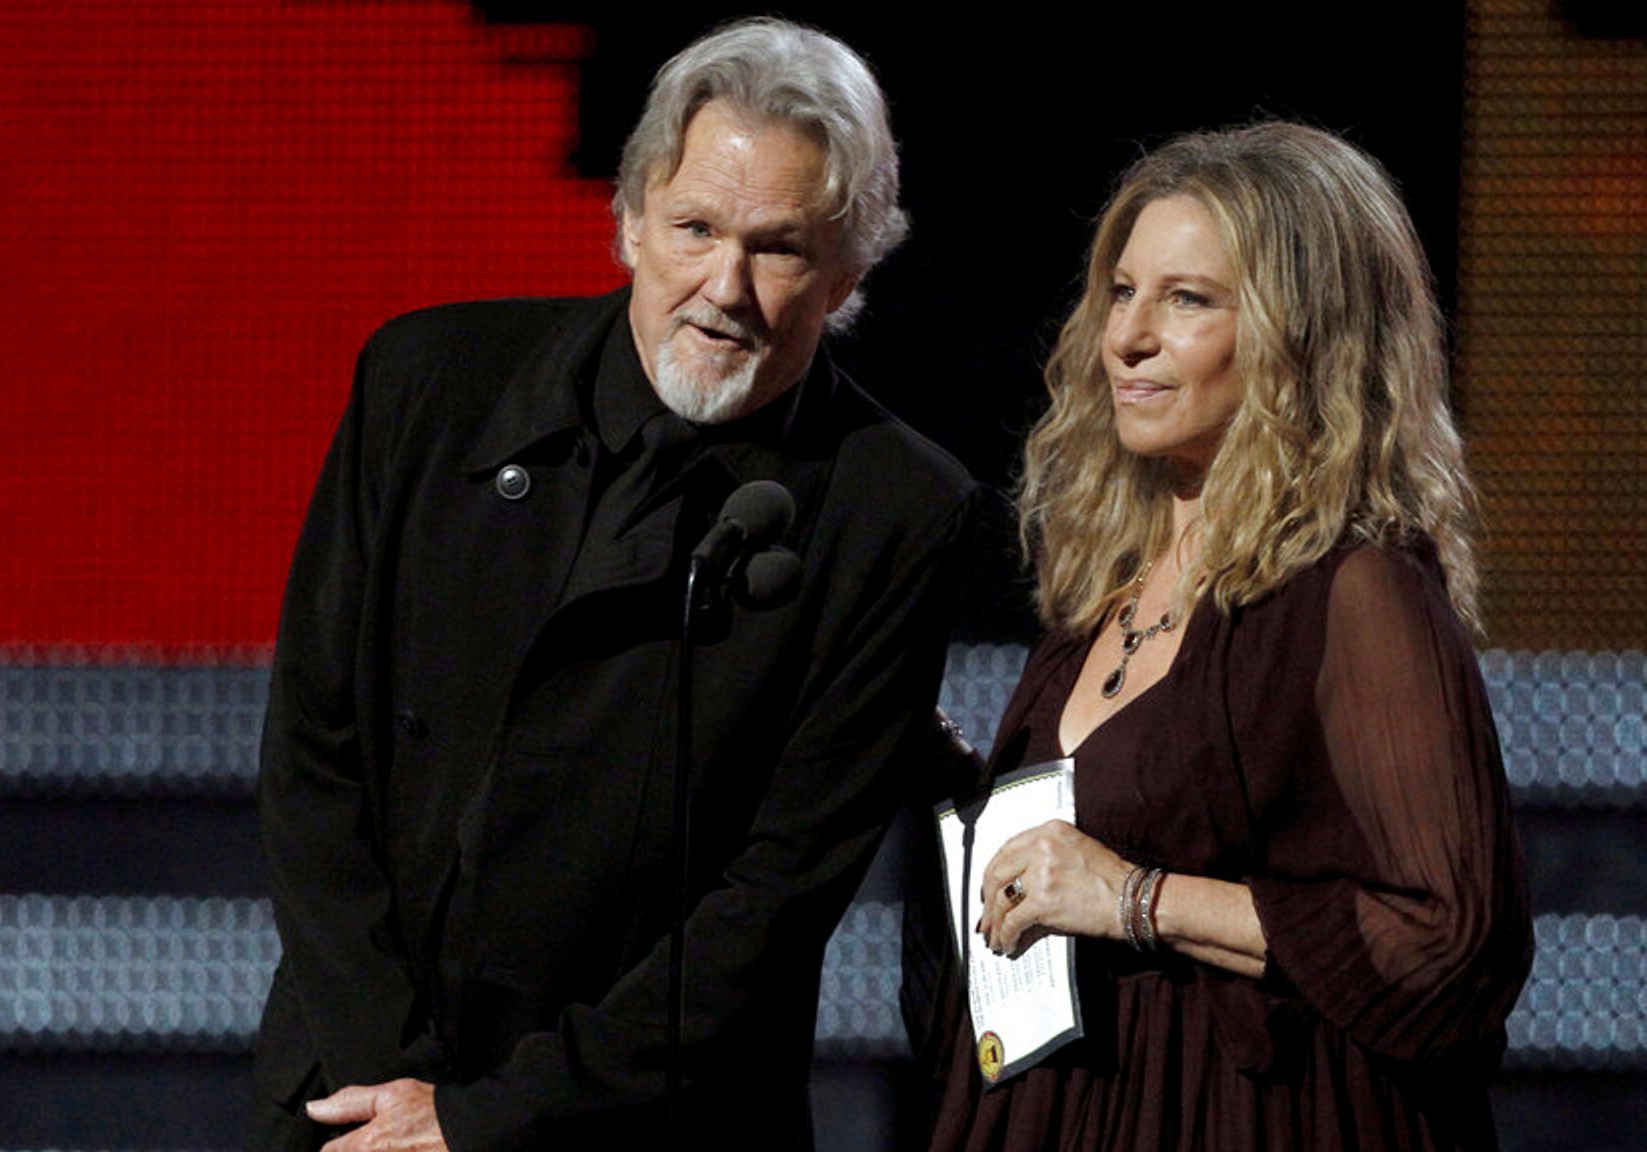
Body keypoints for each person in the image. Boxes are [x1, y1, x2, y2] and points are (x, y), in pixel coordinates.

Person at [248, 19, 976, 1152]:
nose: (722, 287)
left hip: (644, 1120)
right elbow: (312, 748)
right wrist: (397, 1086)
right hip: (356, 1097)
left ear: (847, 275)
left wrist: (485, 1122)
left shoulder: (895, 511)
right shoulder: (428, 385)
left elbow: (772, 903)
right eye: (693, 227)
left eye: (778, 248)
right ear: (630, 217)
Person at [927, 123, 1534, 1151]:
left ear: (1302, 338)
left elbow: (1450, 940)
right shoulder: (1100, 595)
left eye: (1188, 299)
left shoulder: (1357, 592)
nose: (1127, 337)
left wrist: (1135, 901)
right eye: (1121, 292)